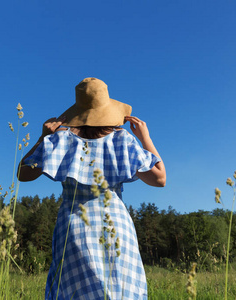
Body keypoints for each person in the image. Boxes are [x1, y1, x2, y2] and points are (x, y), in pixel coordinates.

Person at [18, 77, 166, 299]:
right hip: (115, 226)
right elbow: (160, 178)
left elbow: (23, 174)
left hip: (73, 227)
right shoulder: (122, 140)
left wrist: (43, 137)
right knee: (119, 291)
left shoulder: (60, 140)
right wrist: (145, 138)